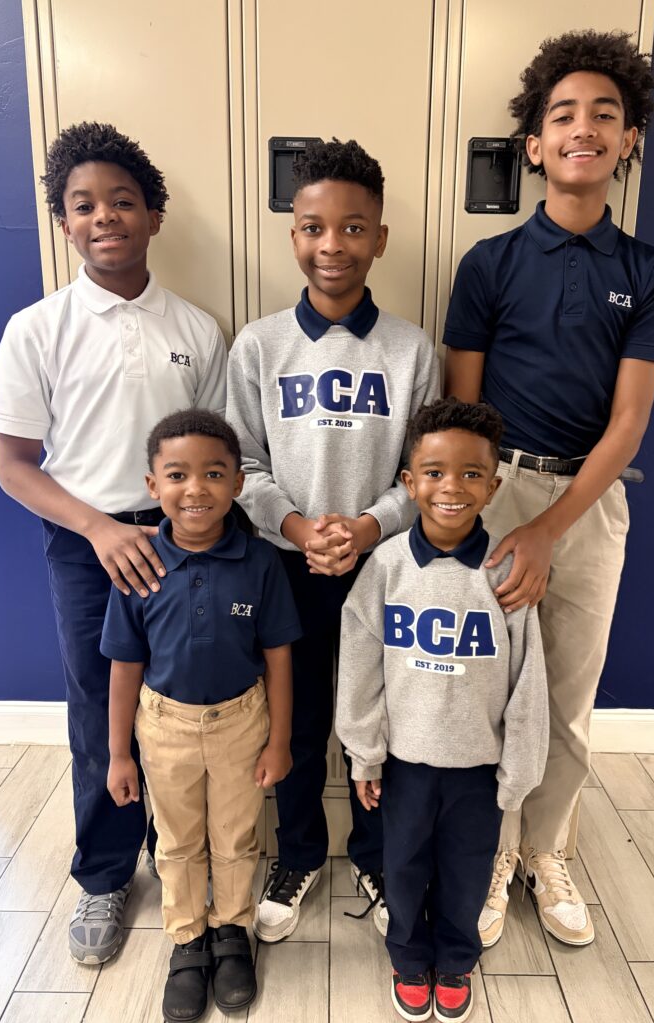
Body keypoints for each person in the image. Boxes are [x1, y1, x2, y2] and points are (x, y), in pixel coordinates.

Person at [443, 30, 654, 948]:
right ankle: (494, 852)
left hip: (590, 505)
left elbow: (628, 425)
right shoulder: (489, 266)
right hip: (496, 494)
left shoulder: (645, 273)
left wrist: (552, 530)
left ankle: (547, 851)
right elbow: (462, 416)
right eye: (563, 115)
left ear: (627, 144)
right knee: (493, 693)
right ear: (534, 145)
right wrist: (496, 514)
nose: (585, 128)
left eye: (605, 116)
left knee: (570, 702)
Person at [0, 122, 228, 964]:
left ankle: (188, 858)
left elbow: (217, 456)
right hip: (85, 546)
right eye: (84, 206)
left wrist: (185, 530)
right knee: (102, 710)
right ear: (63, 223)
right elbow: (15, 466)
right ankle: (102, 873)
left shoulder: (199, 330)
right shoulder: (37, 329)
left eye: (123, 202)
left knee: (188, 703)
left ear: (154, 217)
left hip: (184, 538)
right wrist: (96, 528)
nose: (105, 218)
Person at [226, 138, 440, 941]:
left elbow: (426, 472)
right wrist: (294, 525)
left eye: (353, 229)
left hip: (379, 568)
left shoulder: (413, 349)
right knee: (301, 713)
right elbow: (239, 463)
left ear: (380, 238)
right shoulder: (258, 344)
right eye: (314, 227)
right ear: (293, 236)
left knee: (381, 719)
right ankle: (302, 851)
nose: (332, 246)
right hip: (286, 567)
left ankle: (379, 856)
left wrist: (365, 526)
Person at [336, 398, 548, 1023]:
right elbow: (359, 664)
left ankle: (455, 961)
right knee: (400, 868)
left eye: (470, 474)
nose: (451, 488)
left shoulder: (508, 571)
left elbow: (528, 680)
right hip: (404, 765)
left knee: (466, 871)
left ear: (493, 484)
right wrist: (364, 753)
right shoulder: (387, 565)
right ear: (409, 482)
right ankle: (407, 957)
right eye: (433, 472)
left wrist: (518, 771)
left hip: (478, 771)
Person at [103, 409, 301, 1021]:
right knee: (179, 841)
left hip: (243, 723)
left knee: (237, 838)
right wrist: (117, 753)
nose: (196, 489)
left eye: (214, 473)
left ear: (238, 483)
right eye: (178, 475)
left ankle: (231, 934)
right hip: (164, 729)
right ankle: (188, 941)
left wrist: (281, 742)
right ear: (152, 484)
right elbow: (124, 666)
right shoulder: (137, 564)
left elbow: (278, 657)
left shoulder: (261, 562)